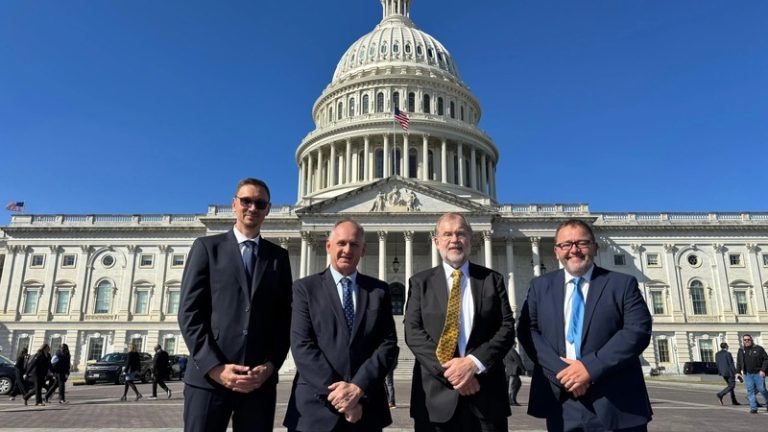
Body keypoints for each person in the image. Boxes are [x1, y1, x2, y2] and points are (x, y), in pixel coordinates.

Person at [179, 177, 293, 432]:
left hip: (257, 383)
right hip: (208, 380)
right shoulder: (207, 248)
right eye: (246, 201)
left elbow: (284, 318)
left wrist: (270, 366)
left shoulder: (279, 257)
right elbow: (189, 314)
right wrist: (215, 367)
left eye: (260, 203)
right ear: (234, 204)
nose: (252, 207)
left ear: (268, 209)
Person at [518, 219, 653, 431]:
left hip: (617, 402)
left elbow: (637, 331)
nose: (574, 250)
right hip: (563, 402)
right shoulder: (539, 286)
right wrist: (565, 373)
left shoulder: (622, 283)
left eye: (582, 243)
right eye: (566, 245)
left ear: (595, 247)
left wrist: (589, 368)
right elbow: (528, 332)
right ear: (556, 251)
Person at [284, 219, 399, 432]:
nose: (347, 250)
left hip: (366, 409)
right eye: (341, 243)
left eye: (354, 245)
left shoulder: (379, 291)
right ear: (328, 246)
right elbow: (302, 345)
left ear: (363, 250)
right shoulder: (304, 288)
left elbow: (388, 345)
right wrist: (341, 397)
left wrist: (358, 389)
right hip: (314, 411)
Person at [404, 212, 515, 432]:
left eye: (460, 233)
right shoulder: (419, 282)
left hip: (486, 397)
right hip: (434, 400)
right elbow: (412, 332)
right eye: (447, 234)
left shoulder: (493, 280)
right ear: (436, 242)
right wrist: (454, 373)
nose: (454, 239)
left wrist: (474, 363)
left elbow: (507, 328)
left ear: (471, 239)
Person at [735, 334, 768, 414]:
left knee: (762, 389)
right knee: (750, 391)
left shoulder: (759, 349)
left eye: (748, 339)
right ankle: (753, 408)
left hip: (758, 373)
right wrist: (738, 372)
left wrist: (763, 370)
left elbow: (766, 360)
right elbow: (739, 362)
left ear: (751, 340)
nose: (747, 341)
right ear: (743, 341)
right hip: (747, 374)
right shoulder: (741, 350)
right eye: (745, 340)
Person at [503, 342, 525, 406]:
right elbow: (518, 360)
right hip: (514, 371)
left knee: (517, 384)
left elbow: (504, 361)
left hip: (509, 371)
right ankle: (511, 401)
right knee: (513, 386)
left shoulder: (506, 351)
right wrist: (523, 369)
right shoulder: (512, 350)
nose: (516, 345)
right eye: (515, 344)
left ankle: (512, 399)